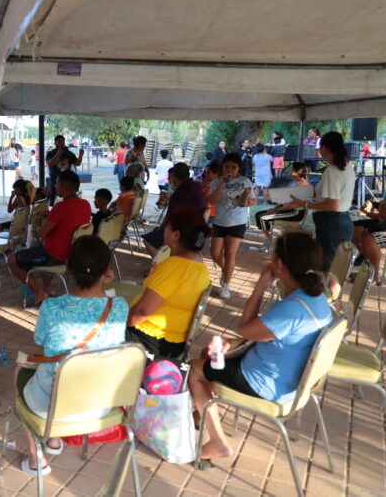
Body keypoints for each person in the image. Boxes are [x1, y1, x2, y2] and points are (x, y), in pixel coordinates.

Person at [188, 232, 333, 460]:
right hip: (286, 378)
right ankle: (202, 413)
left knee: (194, 369)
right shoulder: (317, 298)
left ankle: (217, 442)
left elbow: (244, 328)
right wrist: (233, 343)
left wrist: (260, 286)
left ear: (279, 264)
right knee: (209, 355)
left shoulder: (291, 309)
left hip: (265, 383)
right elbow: (273, 335)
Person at [18, 236, 129, 475]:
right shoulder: (120, 306)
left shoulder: (52, 307)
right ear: (107, 271)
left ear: (68, 268)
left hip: (52, 406)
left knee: (21, 368)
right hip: (100, 404)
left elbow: (40, 341)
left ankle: (38, 457)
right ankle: (54, 440)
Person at [126, 209, 211, 360]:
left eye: (166, 227)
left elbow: (142, 312)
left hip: (150, 340)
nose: (163, 230)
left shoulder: (174, 266)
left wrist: (117, 323)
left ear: (176, 235)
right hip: (175, 341)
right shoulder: (201, 268)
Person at [280, 132, 356, 292]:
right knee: (333, 267)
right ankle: (329, 300)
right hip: (342, 221)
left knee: (327, 268)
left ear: (326, 148)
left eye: (319, 147)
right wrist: (308, 194)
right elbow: (327, 195)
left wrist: (305, 204)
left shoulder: (332, 171)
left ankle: (326, 300)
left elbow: (332, 205)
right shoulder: (348, 167)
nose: (318, 150)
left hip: (331, 222)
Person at [8, 170, 90, 304]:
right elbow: (67, 222)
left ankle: (39, 292)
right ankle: (49, 288)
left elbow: (41, 233)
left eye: (56, 183)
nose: (54, 186)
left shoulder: (60, 207)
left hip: (54, 256)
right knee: (40, 249)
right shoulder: (85, 204)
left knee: (12, 259)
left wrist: (35, 227)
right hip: (73, 255)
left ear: (64, 187)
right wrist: (51, 217)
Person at [208, 153, 257, 299]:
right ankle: (227, 271)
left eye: (233, 167)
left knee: (230, 254)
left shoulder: (245, 181)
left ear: (238, 168)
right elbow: (212, 200)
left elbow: (253, 199)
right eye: (226, 167)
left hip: (237, 223)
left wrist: (247, 203)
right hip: (219, 222)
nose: (229, 170)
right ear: (222, 167)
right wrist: (222, 184)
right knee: (215, 254)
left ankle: (226, 285)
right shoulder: (216, 181)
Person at [141, 163, 207, 256]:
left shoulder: (179, 194)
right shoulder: (197, 186)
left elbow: (169, 219)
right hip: (200, 232)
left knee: (148, 240)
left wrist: (161, 229)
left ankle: (163, 263)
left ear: (173, 176)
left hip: (186, 234)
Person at [252, 162, 310, 252]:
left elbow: (294, 205)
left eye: (291, 168)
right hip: (289, 210)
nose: (289, 170)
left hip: (295, 213)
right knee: (259, 214)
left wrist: (278, 209)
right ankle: (269, 242)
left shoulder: (302, 184)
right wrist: (275, 208)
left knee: (263, 218)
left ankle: (270, 245)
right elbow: (287, 200)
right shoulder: (295, 182)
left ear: (296, 172)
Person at [350, 163, 386, 284]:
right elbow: (384, 207)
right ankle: (366, 264)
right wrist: (371, 204)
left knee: (371, 238)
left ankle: (374, 276)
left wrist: (372, 212)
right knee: (359, 231)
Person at [45, 135, 84, 205]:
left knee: (67, 200)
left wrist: (80, 155)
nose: (61, 143)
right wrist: (58, 153)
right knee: (52, 200)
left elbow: (77, 163)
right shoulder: (51, 153)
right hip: (54, 181)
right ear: (55, 143)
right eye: (59, 141)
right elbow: (50, 163)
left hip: (67, 181)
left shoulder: (68, 153)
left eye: (63, 141)